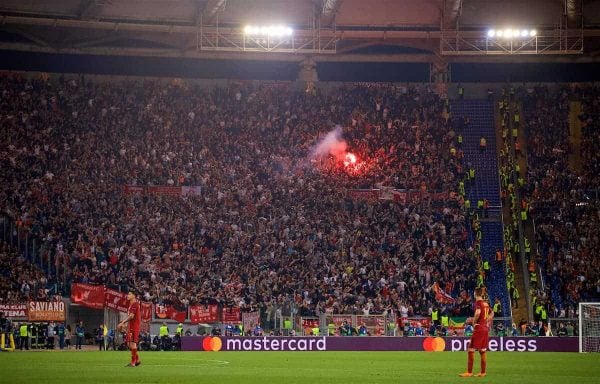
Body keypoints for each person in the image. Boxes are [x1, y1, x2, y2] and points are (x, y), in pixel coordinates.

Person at [459, 287, 493, 378]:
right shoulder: (486, 303)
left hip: (479, 328)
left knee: (470, 350)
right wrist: (486, 321)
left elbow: (477, 313)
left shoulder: (478, 302)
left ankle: (469, 372)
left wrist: (473, 322)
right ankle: (483, 372)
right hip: (485, 328)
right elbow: (492, 313)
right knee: (482, 351)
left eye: (474, 293)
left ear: (475, 293)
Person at [118, 291, 141, 367]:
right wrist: (126, 325)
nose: (127, 295)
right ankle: (137, 360)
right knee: (129, 344)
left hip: (134, 326)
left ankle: (133, 362)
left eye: (129, 294)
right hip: (131, 326)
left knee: (133, 344)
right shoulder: (131, 304)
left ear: (134, 296)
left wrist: (123, 322)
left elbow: (131, 316)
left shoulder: (135, 304)